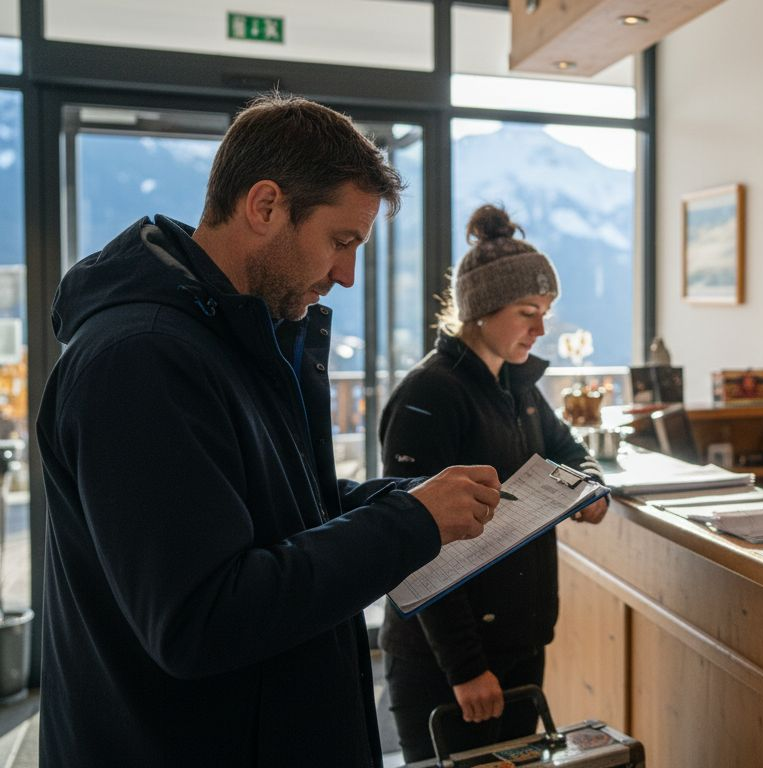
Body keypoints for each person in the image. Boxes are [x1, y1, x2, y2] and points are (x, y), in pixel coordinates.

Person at [36, 93, 505, 767]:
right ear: (263, 206)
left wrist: (406, 500)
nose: (346, 274)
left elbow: (275, 511)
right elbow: (202, 618)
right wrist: (408, 526)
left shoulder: (233, 335)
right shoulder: (139, 360)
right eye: (341, 242)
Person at [378, 204, 610, 761]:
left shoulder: (517, 385)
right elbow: (414, 543)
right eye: (528, 311)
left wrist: (591, 487)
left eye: (547, 311)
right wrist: (465, 667)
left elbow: (569, 449)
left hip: (517, 644)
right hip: (449, 662)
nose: (541, 327)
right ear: (480, 311)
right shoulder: (429, 397)